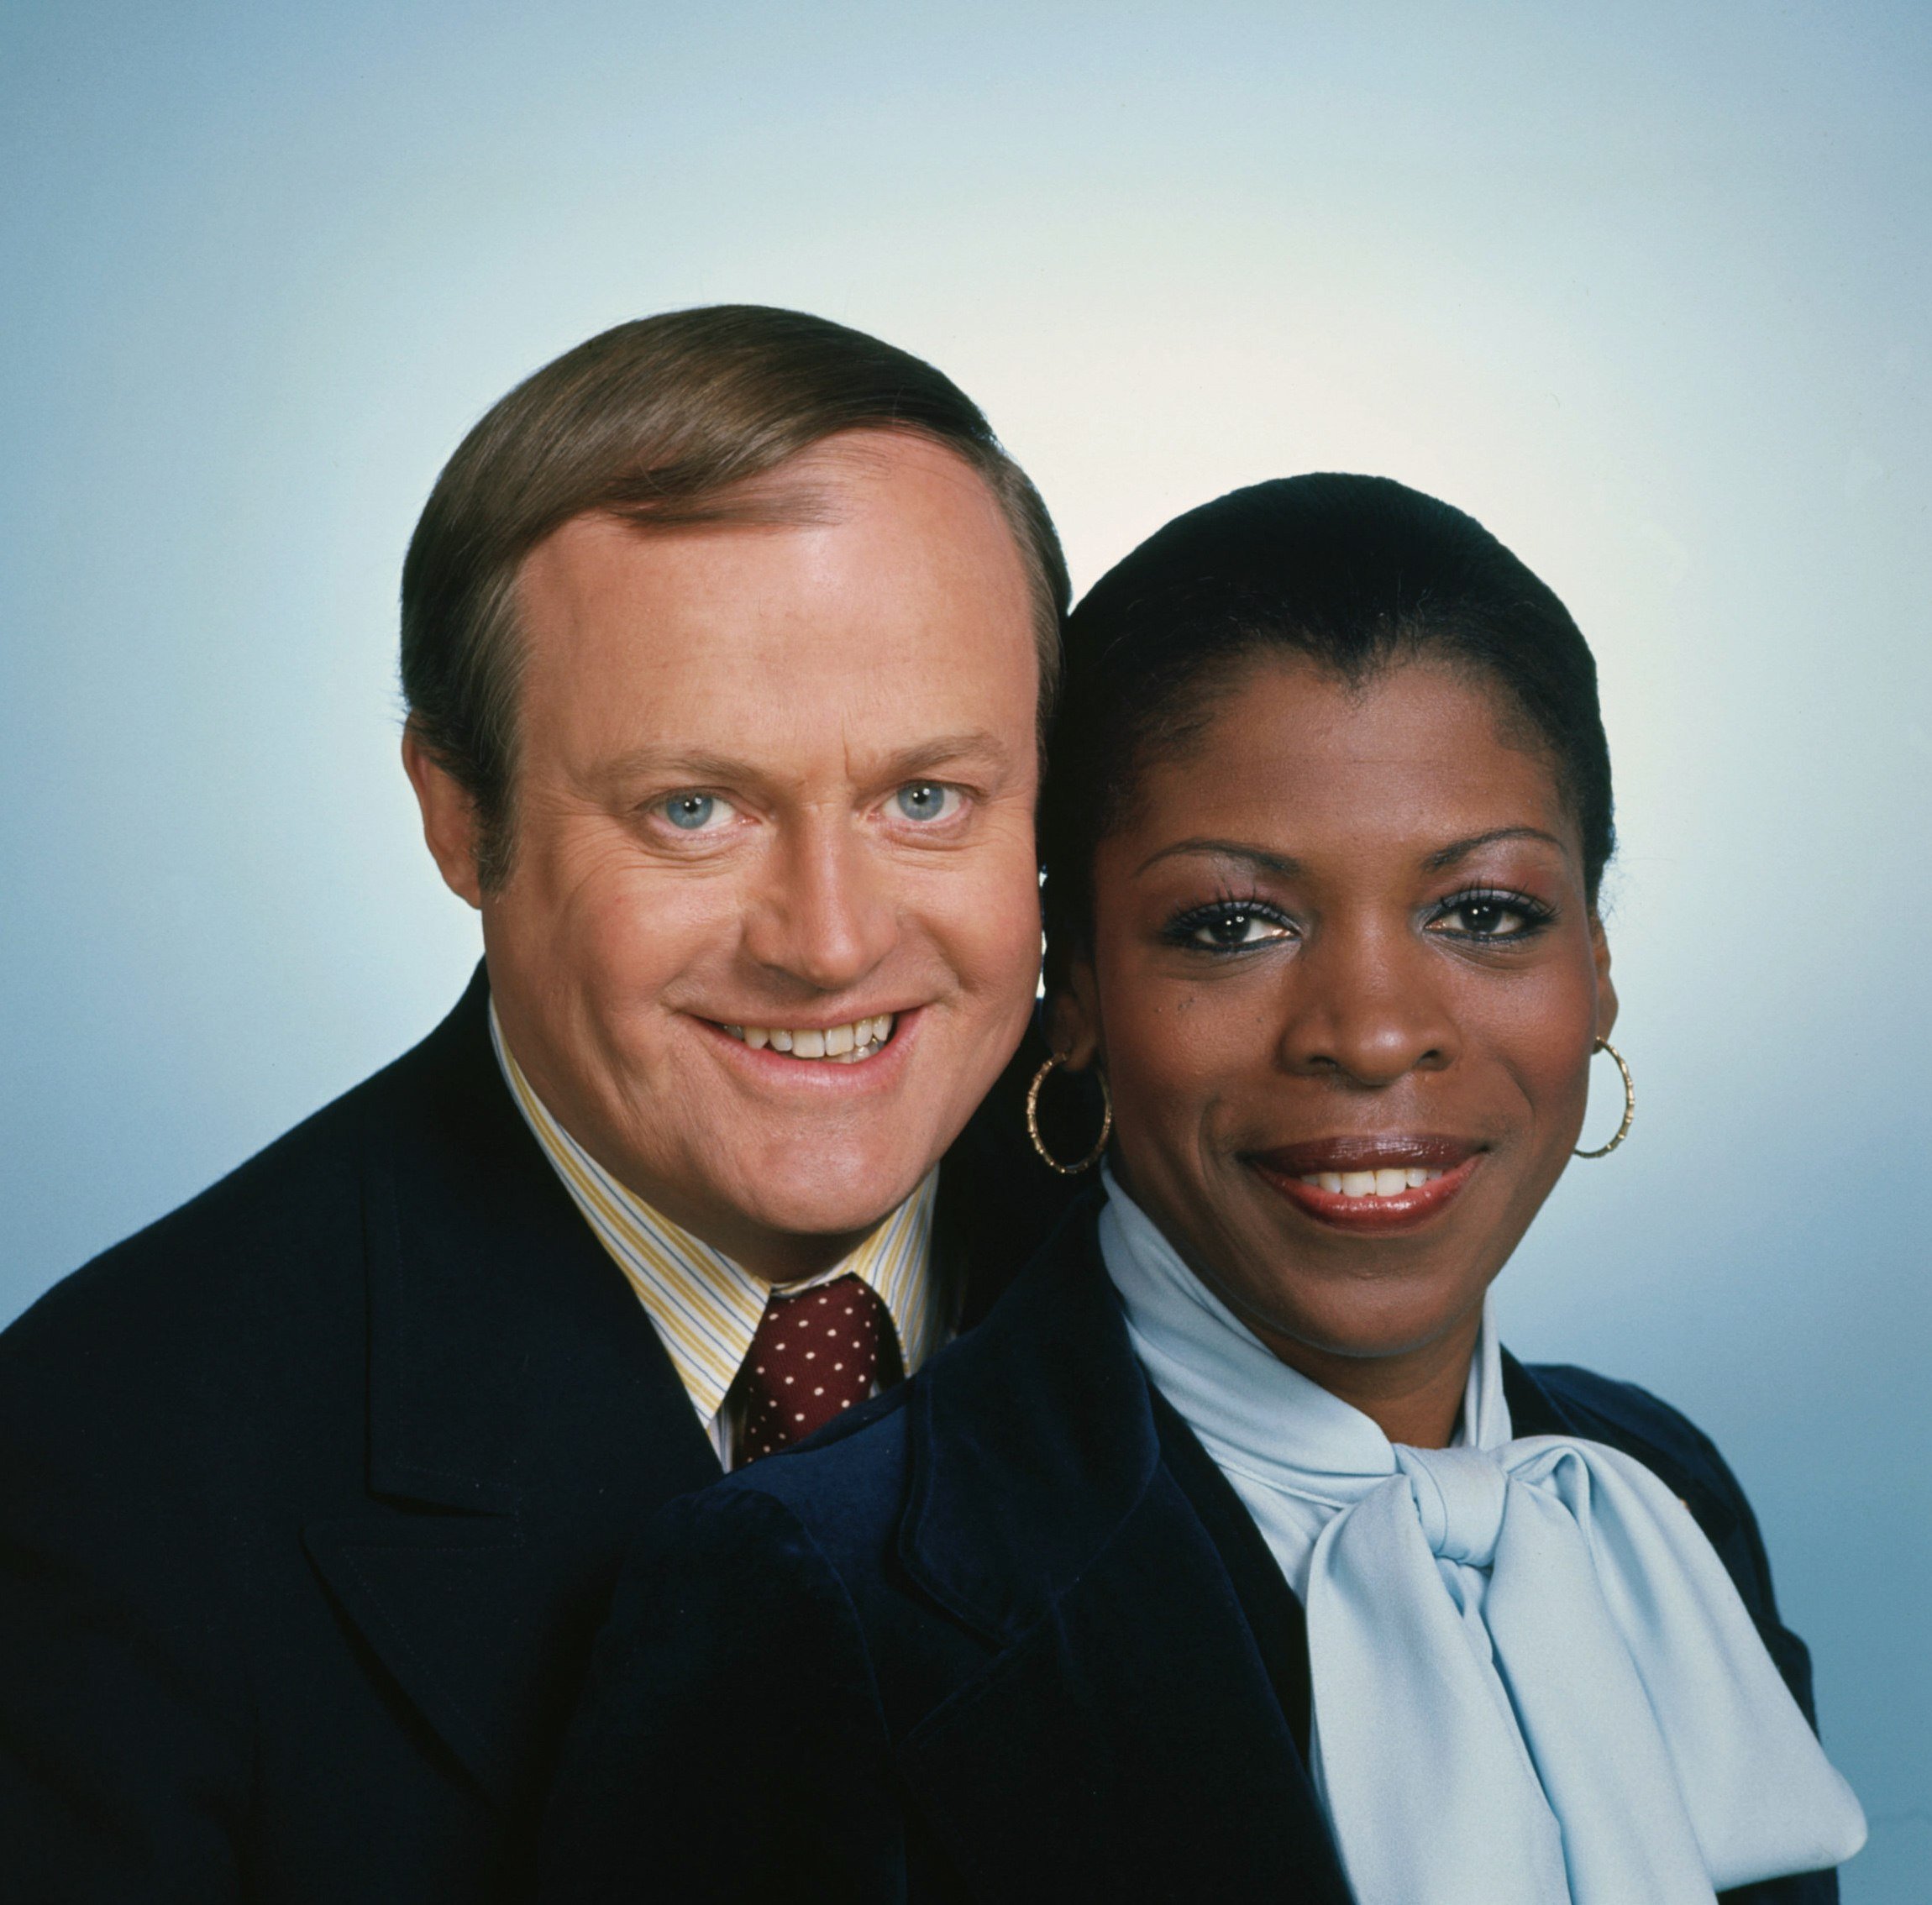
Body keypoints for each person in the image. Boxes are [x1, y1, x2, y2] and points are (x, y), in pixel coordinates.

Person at [538, 474, 1868, 1903]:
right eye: (1232, 924)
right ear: (1080, 991)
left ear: (1595, 964)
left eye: (1484, 912)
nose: (1367, 1031)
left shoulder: (1655, 1499)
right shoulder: (810, 1593)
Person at [0, 307, 1082, 1901]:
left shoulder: (1181, 1248)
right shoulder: (102, 1479)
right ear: (461, 820)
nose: (832, 942)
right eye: (693, 809)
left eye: (928, 798)